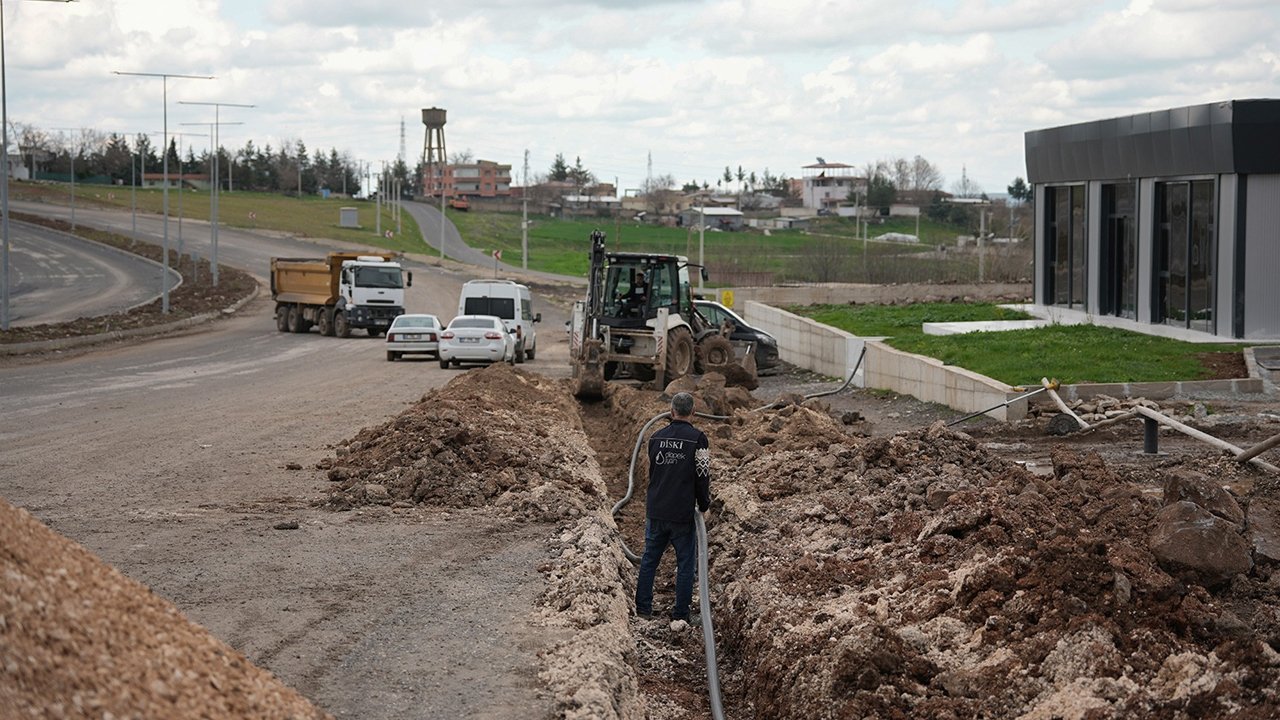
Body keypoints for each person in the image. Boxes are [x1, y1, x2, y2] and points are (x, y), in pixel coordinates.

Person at [634, 392, 711, 623]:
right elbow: (702, 475)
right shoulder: (699, 439)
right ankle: (680, 614)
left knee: (649, 559)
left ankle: (643, 609)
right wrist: (704, 504)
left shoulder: (656, 437)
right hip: (681, 513)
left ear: (671, 411)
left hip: (656, 509)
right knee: (686, 563)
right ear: (694, 413)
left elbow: (654, 473)